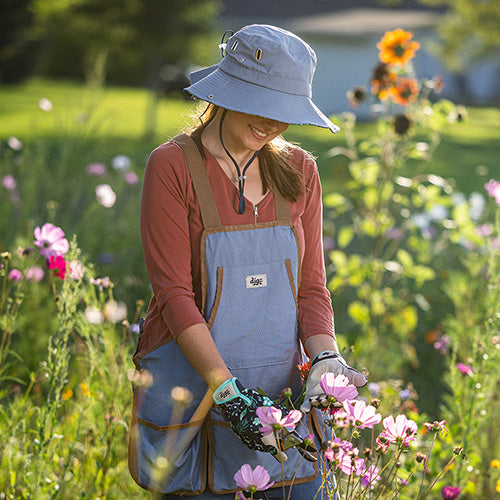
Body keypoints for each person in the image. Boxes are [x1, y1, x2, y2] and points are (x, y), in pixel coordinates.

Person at [128, 24, 367, 499]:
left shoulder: (301, 170)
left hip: (282, 400)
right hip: (194, 388)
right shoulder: (172, 166)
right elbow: (173, 295)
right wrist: (230, 395)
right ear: (226, 91)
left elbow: (311, 288)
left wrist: (324, 357)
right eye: (262, 106)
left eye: (285, 112)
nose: (273, 124)